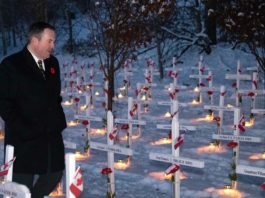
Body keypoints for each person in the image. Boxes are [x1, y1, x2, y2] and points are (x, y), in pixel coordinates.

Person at [0, 21, 67, 198]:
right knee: (21, 187)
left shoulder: (53, 63)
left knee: (55, 173)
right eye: (50, 41)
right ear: (35, 40)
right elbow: (4, 103)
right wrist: (23, 128)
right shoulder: (11, 65)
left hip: (51, 136)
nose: (53, 46)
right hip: (24, 139)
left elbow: (54, 96)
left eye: (54, 41)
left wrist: (58, 121)